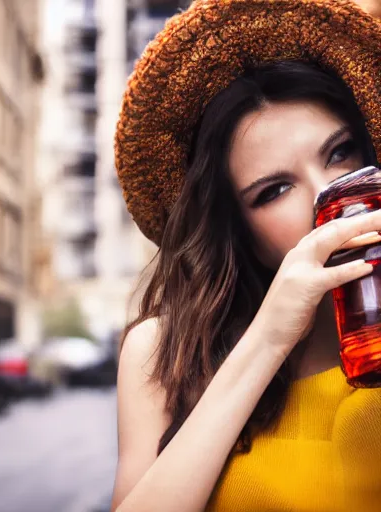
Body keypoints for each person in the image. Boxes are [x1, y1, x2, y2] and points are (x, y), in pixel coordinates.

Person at [111, 0, 381, 511]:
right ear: (241, 229)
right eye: (275, 190)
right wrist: (269, 339)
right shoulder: (165, 351)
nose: (330, 198)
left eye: (340, 152)